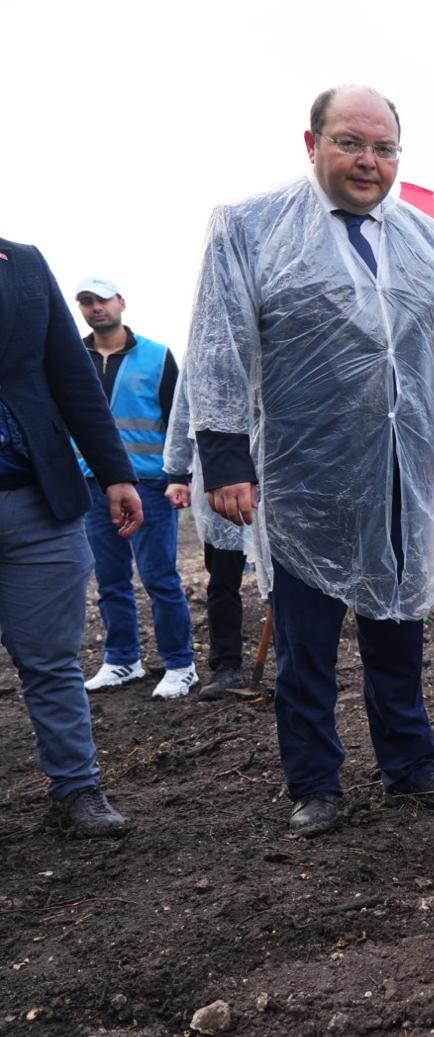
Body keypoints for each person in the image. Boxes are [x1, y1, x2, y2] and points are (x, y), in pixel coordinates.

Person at [185, 85, 434, 836]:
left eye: (384, 148)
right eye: (351, 143)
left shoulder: (423, 239)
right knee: (306, 645)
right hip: (303, 478)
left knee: (398, 626)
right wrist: (225, 459)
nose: (369, 161)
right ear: (311, 142)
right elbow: (218, 347)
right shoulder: (251, 228)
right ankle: (316, 782)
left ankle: (410, 765)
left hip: (398, 471)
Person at [0, 240, 144, 835]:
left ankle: (77, 790)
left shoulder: (24, 264)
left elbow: (70, 375)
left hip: (40, 502)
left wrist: (115, 473)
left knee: (53, 660)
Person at [73, 278, 197, 699]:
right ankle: (123, 659)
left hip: (149, 482)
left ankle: (181, 664)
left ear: (120, 302)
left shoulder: (157, 356)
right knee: (110, 579)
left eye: (102, 299)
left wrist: (181, 476)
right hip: (93, 484)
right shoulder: (72, 356)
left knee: (160, 577)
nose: (95, 308)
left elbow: (178, 419)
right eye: (86, 302)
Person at [163, 369, 251, 699]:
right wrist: (176, 472)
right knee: (223, 580)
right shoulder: (208, 343)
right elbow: (184, 406)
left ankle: (299, 662)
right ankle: (226, 666)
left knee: (292, 579)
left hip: (281, 476)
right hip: (223, 479)